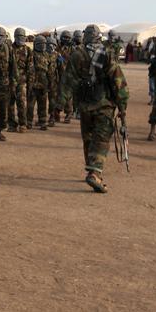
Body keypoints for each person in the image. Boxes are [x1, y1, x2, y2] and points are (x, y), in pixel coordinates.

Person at [59, 24, 129, 193]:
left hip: (84, 105)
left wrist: (60, 103)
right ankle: (95, 172)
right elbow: (118, 82)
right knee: (101, 139)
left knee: (88, 137)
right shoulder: (107, 53)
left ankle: (90, 167)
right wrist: (122, 106)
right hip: (104, 104)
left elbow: (67, 80)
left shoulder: (77, 54)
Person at [8, 27, 34, 133]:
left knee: (22, 103)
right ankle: (12, 124)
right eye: (18, 36)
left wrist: (30, 82)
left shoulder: (28, 50)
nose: (20, 38)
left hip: (22, 81)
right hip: (10, 81)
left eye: (22, 36)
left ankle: (23, 124)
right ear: (15, 37)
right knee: (9, 103)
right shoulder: (9, 48)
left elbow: (31, 68)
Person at [28, 35, 51, 130]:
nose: (42, 46)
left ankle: (42, 122)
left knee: (43, 104)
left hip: (44, 83)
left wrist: (50, 83)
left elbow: (50, 70)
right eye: (40, 44)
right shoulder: (31, 54)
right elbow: (30, 69)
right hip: (33, 83)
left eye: (44, 44)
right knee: (30, 105)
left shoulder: (47, 55)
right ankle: (28, 122)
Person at [58, 31, 76, 123]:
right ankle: (55, 114)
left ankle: (68, 114)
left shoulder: (72, 49)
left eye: (68, 38)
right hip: (58, 73)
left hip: (68, 74)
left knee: (68, 95)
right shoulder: (57, 47)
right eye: (64, 37)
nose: (66, 39)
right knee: (57, 94)